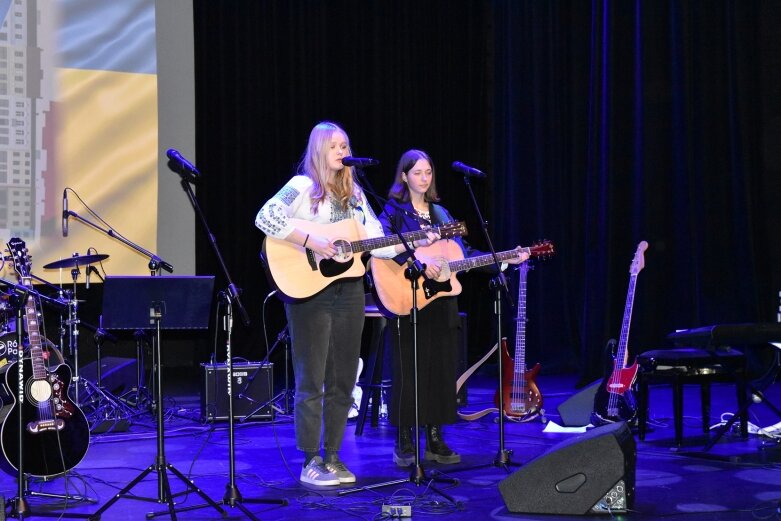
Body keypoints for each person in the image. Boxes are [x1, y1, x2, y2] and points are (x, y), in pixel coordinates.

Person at [254, 123, 437, 486]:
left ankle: (334, 456)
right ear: (320, 150)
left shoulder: (355, 194)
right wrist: (312, 240)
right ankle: (310, 460)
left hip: (349, 290)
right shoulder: (302, 188)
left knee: (341, 380)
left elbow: (375, 243)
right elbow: (265, 217)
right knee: (312, 379)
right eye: (335, 146)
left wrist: (414, 242)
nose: (342, 151)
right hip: (310, 291)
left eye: (346, 145)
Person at [378, 149, 529, 467]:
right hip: (408, 297)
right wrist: (417, 260)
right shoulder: (393, 212)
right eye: (417, 172)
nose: (423, 177)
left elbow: (465, 253)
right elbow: (380, 246)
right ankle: (404, 440)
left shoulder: (442, 215)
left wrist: (503, 258)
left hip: (442, 300)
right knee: (409, 370)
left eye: (428, 172)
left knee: (441, 370)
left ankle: (435, 438)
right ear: (404, 176)